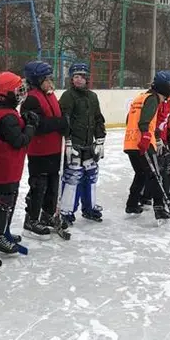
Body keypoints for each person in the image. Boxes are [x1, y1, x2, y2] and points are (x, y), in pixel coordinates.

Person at [0, 72, 37, 253]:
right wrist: (31, 126)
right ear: (5, 94)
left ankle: (4, 231)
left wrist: (25, 120)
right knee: (4, 200)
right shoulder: (6, 116)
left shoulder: (6, 111)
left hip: (8, 166)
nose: (20, 94)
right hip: (4, 167)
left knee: (10, 198)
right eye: (17, 90)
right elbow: (19, 140)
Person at [20, 61, 69, 239]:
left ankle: (47, 214)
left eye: (51, 78)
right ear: (37, 80)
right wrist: (60, 123)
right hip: (39, 151)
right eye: (47, 79)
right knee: (38, 185)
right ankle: (31, 219)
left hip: (54, 149)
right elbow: (36, 125)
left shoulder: (50, 95)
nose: (50, 82)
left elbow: (56, 116)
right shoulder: (31, 98)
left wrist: (65, 124)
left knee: (52, 185)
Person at [123, 70, 170, 220]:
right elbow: (144, 121)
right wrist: (146, 136)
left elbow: (129, 119)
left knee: (140, 174)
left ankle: (132, 204)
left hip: (130, 143)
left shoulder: (141, 97)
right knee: (155, 175)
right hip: (143, 143)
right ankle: (159, 208)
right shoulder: (153, 99)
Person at [58, 64, 106, 226]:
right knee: (73, 176)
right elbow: (64, 121)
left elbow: (98, 118)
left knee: (91, 174)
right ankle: (66, 211)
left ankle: (89, 207)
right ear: (71, 79)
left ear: (87, 79)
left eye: (82, 76)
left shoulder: (92, 97)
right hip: (75, 144)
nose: (79, 79)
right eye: (76, 76)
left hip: (88, 144)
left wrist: (100, 140)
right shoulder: (68, 96)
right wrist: (68, 142)